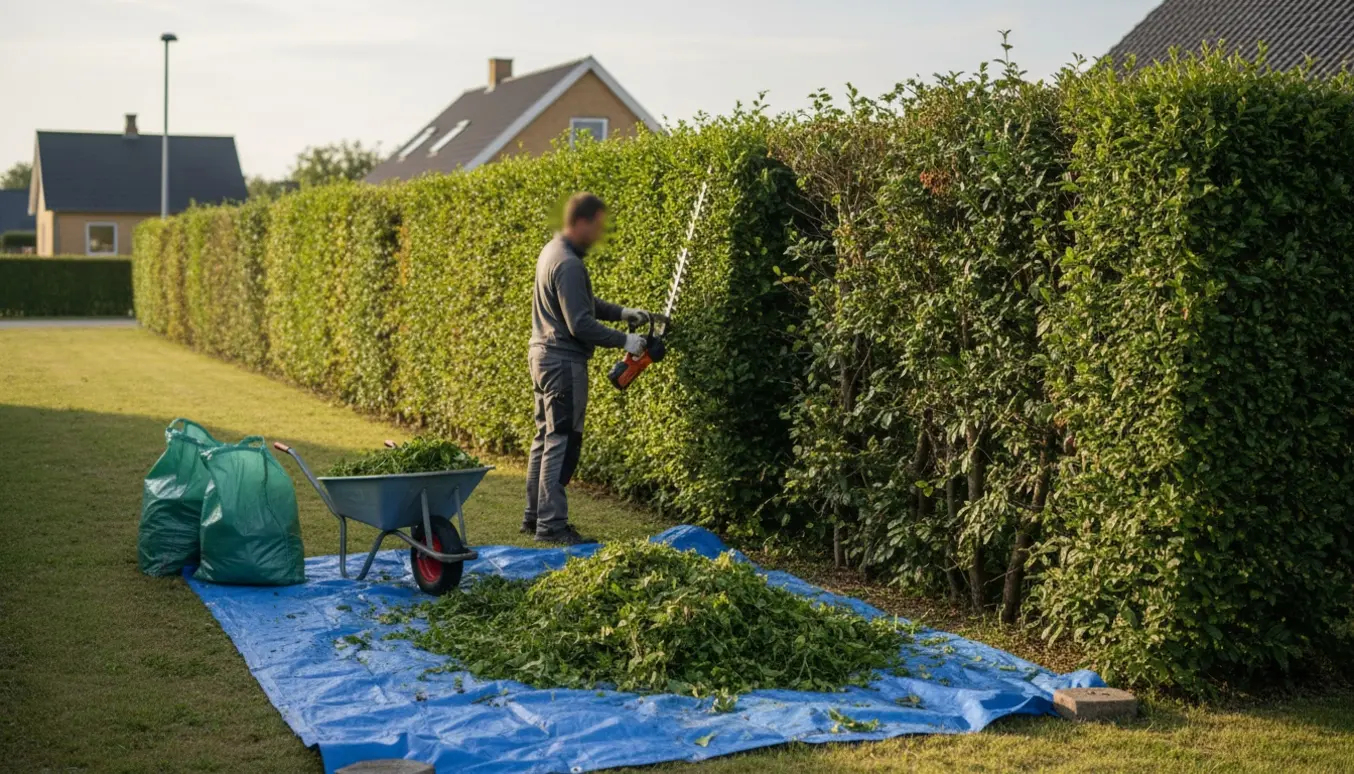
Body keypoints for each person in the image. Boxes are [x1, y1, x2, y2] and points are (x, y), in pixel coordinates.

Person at [523, 192, 651, 545]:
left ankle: (533, 517)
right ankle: (551, 525)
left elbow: (582, 302)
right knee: (562, 441)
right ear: (581, 223)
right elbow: (579, 322)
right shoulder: (569, 263)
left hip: (542, 354)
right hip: (563, 361)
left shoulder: (553, 252)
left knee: (544, 437)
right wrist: (625, 341)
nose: (599, 235)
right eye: (597, 227)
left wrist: (622, 312)